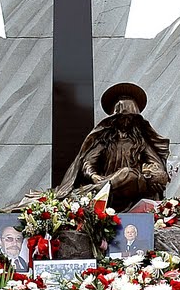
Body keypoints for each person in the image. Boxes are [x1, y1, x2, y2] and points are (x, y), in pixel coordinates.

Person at [54, 82, 171, 212]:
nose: (126, 121)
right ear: (114, 118)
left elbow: (156, 164)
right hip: (110, 195)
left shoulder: (140, 141)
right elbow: (88, 161)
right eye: (122, 117)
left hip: (133, 190)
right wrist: (93, 176)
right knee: (125, 174)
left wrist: (155, 176)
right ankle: (101, 188)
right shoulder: (105, 139)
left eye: (130, 118)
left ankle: (96, 189)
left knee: (129, 174)